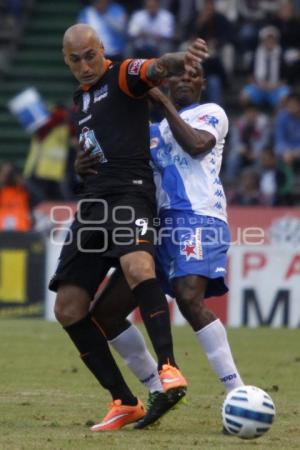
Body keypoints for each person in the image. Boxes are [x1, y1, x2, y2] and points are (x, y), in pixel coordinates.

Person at [49, 23, 209, 431]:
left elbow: (156, 68)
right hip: (93, 205)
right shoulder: (79, 99)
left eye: (90, 55)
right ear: (65, 61)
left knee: (139, 267)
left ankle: (169, 369)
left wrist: (179, 60)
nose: (85, 65)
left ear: (102, 49)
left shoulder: (122, 74)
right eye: (75, 59)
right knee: (67, 309)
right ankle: (124, 400)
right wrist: (77, 166)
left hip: (130, 195)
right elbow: (91, 148)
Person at [76, 64, 244, 429]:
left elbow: (197, 145)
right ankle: (158, 387)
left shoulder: (211, 113)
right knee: (105, 313)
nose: (185, 78)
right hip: (157, 223)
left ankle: (237, 393)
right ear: (166, 81)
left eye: (193, 75)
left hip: (198, 216)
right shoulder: (147, 133)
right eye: (177, 75)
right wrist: (82, 163)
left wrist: (163, 102)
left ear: (202, 83)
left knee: (188, 296)